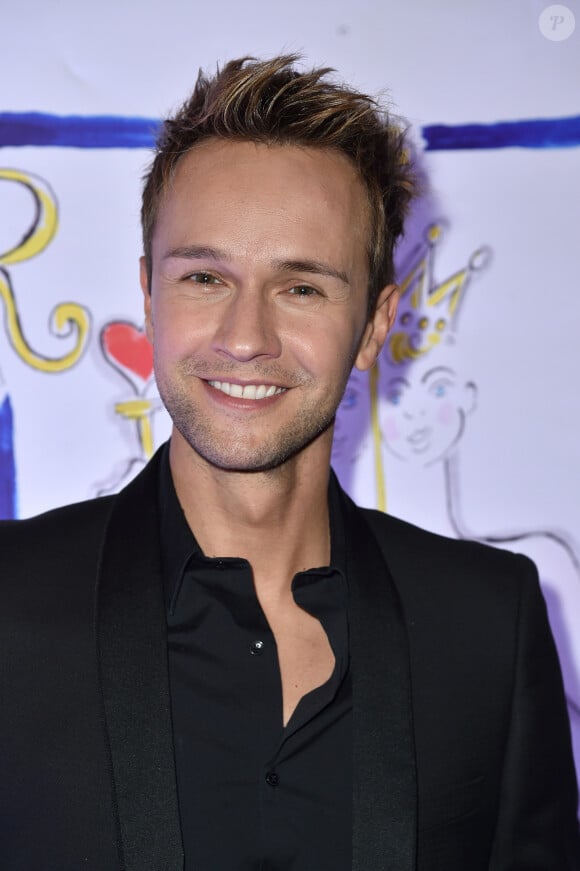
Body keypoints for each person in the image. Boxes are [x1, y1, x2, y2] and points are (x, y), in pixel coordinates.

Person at [0, 55, 578, 871]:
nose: (246, 337)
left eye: (301, 288)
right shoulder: (10, 608)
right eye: (204, 276)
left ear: (376, 323)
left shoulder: (488, 624)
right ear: (149, 295)